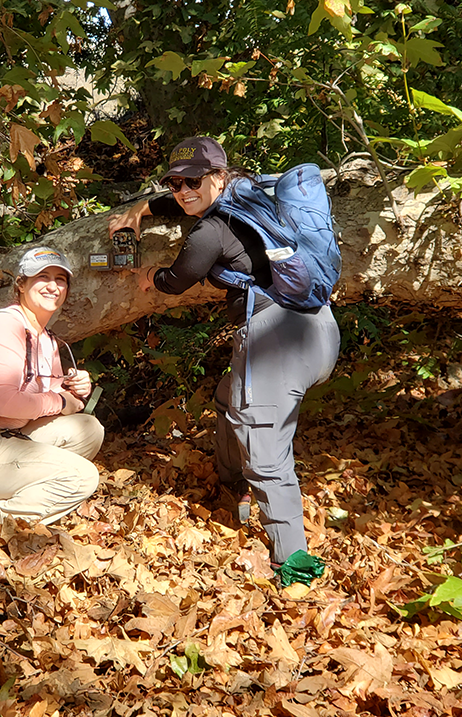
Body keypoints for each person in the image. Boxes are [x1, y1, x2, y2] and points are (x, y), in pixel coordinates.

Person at [108, 136, 340, 576]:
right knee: (228, 398)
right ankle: (234, 485)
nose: (183, 191)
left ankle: (294, 564)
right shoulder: (247, 192)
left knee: (266, 450)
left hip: (276, 342)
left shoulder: (210, 231)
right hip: (320, 328)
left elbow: (178, 279)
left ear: (217, 176)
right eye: (175, 183)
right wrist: (144, 208)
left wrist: (149, 277)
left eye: (192, 180)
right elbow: (188, 202)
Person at [0, 246, 104, 536]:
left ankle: (22, 494)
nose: (53, 286)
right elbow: (6, 403)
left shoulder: (46, 338)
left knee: (90, 428)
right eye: (43, 277)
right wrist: (61, 400)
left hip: (8, 437)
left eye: (61, 279)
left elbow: (56, 395)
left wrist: (75, 388)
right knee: (82, 477)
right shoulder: (5, 326)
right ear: (21, 284)